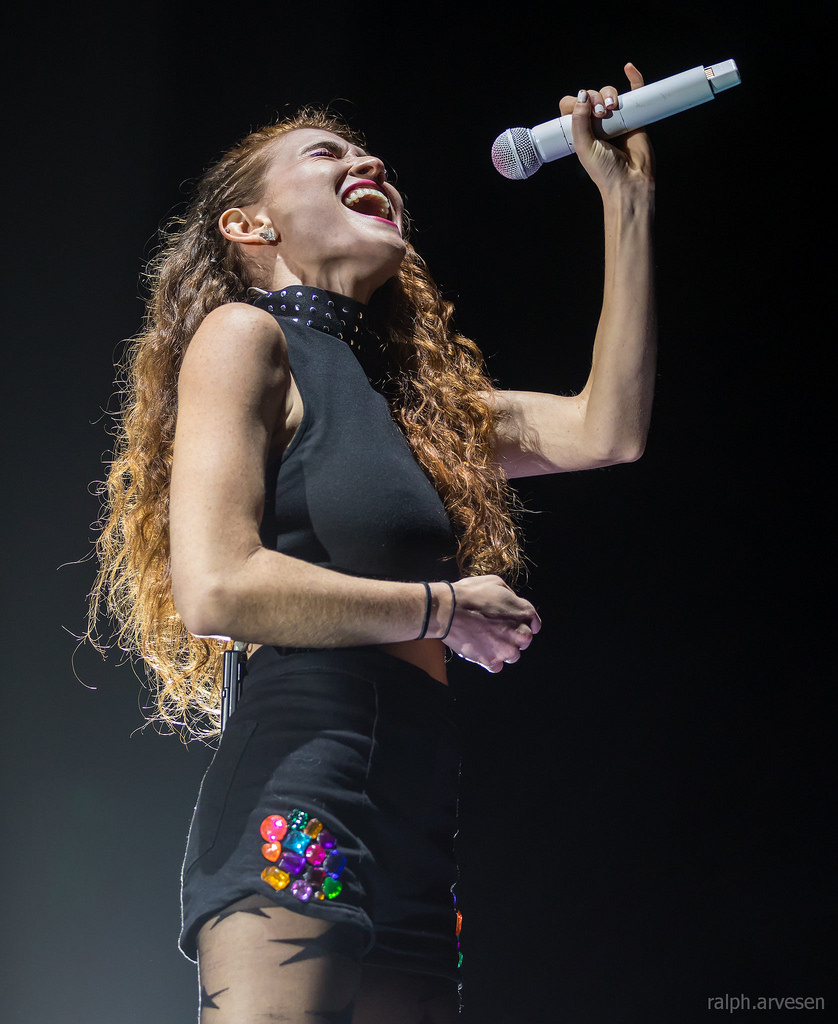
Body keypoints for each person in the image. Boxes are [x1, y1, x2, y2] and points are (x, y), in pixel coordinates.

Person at [89, 63, 655, 1023]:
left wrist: (626, 203)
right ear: (250, 225)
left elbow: (609, 430)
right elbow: (218, 588)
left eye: (369, 153)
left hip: (418, 814)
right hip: (302, 783)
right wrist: (443, 609)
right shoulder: (246, 338)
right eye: (327, 155)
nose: (371, 163)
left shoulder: (416, 413)